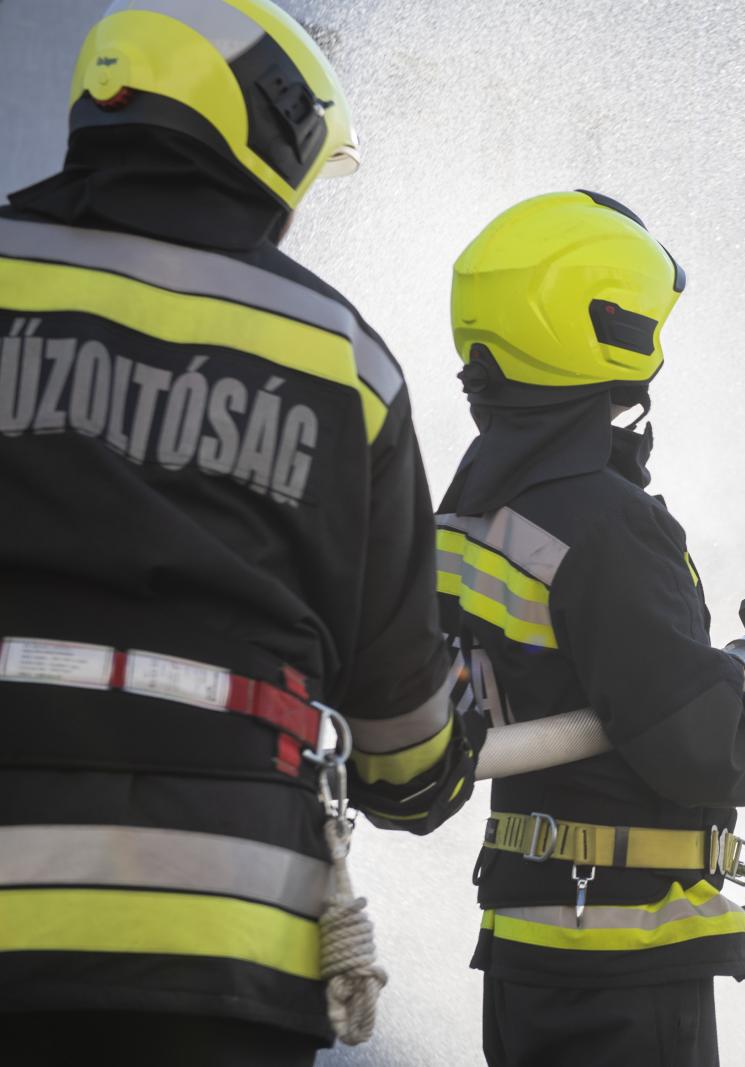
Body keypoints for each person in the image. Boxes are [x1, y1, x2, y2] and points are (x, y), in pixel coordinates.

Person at [0, 2, 481, 1063]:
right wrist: (451, 737)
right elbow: (405, 737)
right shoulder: (344, 361)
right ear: (271, 132)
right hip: (223, 943)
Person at [439, 190, 745, 1067]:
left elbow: (591, 685)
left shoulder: (474, 508)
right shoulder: (608, 526)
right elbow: (700, 748)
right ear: (605, 326)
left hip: (530, 954)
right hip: (626, 962)